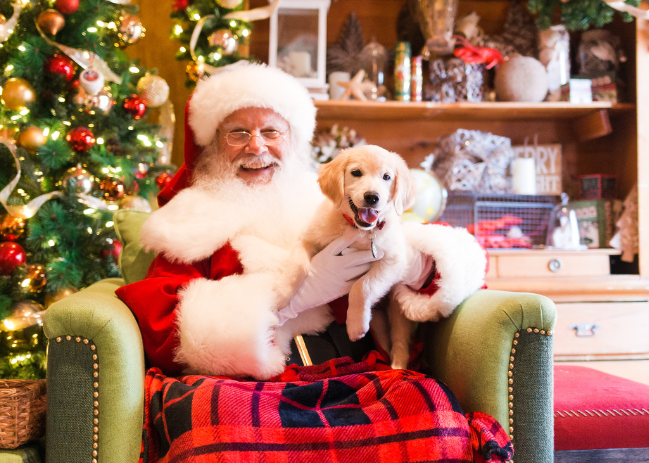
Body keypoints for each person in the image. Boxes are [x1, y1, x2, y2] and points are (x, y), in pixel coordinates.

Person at [115, 62, 485, 380]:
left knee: (434, 423)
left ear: (293, 140)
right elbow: (162, 323)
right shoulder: (190, 221)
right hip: (255, 385)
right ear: (212, 147)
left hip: (356, 370)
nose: (256, 147)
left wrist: (419, 265)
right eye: (238, 132)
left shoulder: (331, 195)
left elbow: (408, 247)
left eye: (271, 131)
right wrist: (283, 302)